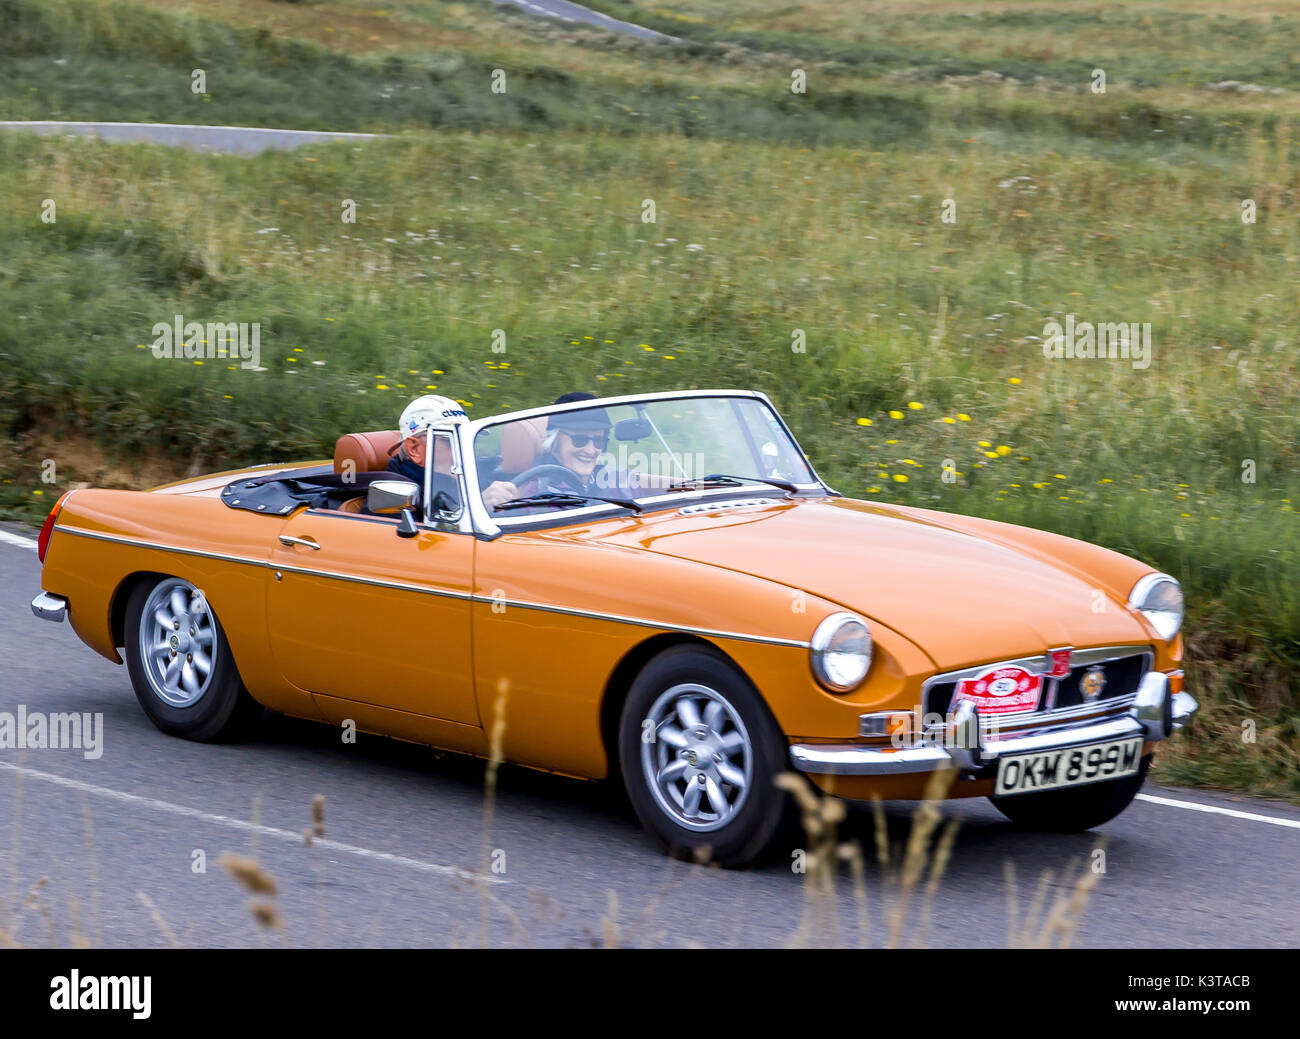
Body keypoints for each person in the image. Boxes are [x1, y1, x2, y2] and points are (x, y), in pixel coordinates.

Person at [390, 395, 517, 511]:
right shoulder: (392, 498)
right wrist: (479, 508)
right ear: (415, 449)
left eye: (464, 440)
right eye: (449, 441)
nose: (461, 450)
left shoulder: (467, 478)